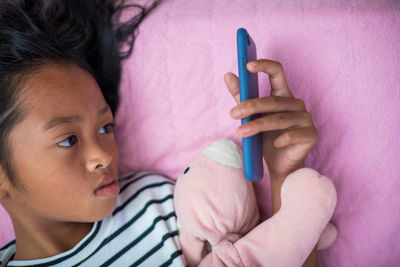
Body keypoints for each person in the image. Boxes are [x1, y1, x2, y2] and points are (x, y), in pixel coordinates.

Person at [0, 0, 319, 266]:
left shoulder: (155, 200)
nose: (103, 154)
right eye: (68, 139)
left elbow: (265, 254)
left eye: (105, 127)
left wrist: (285, 174)